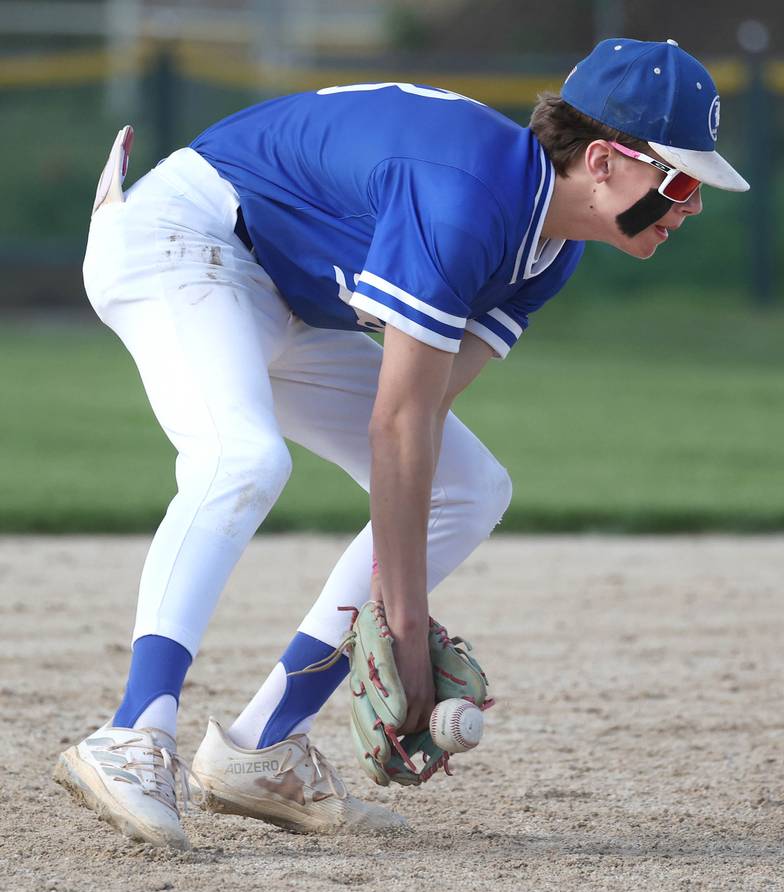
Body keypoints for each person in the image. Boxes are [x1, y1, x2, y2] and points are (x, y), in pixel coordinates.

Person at [55, 38, 748, 849]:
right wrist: (406, 632)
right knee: (243, 459)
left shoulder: (550, 250)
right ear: (602, 159)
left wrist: (395, 610)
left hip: (279, 295)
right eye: (679, 179)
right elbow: (395, 425)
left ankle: (262, 746)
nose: (691, 203)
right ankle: (132, 731)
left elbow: (420, 410)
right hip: (183, 238)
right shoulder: (468, 194)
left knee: (471, 485)